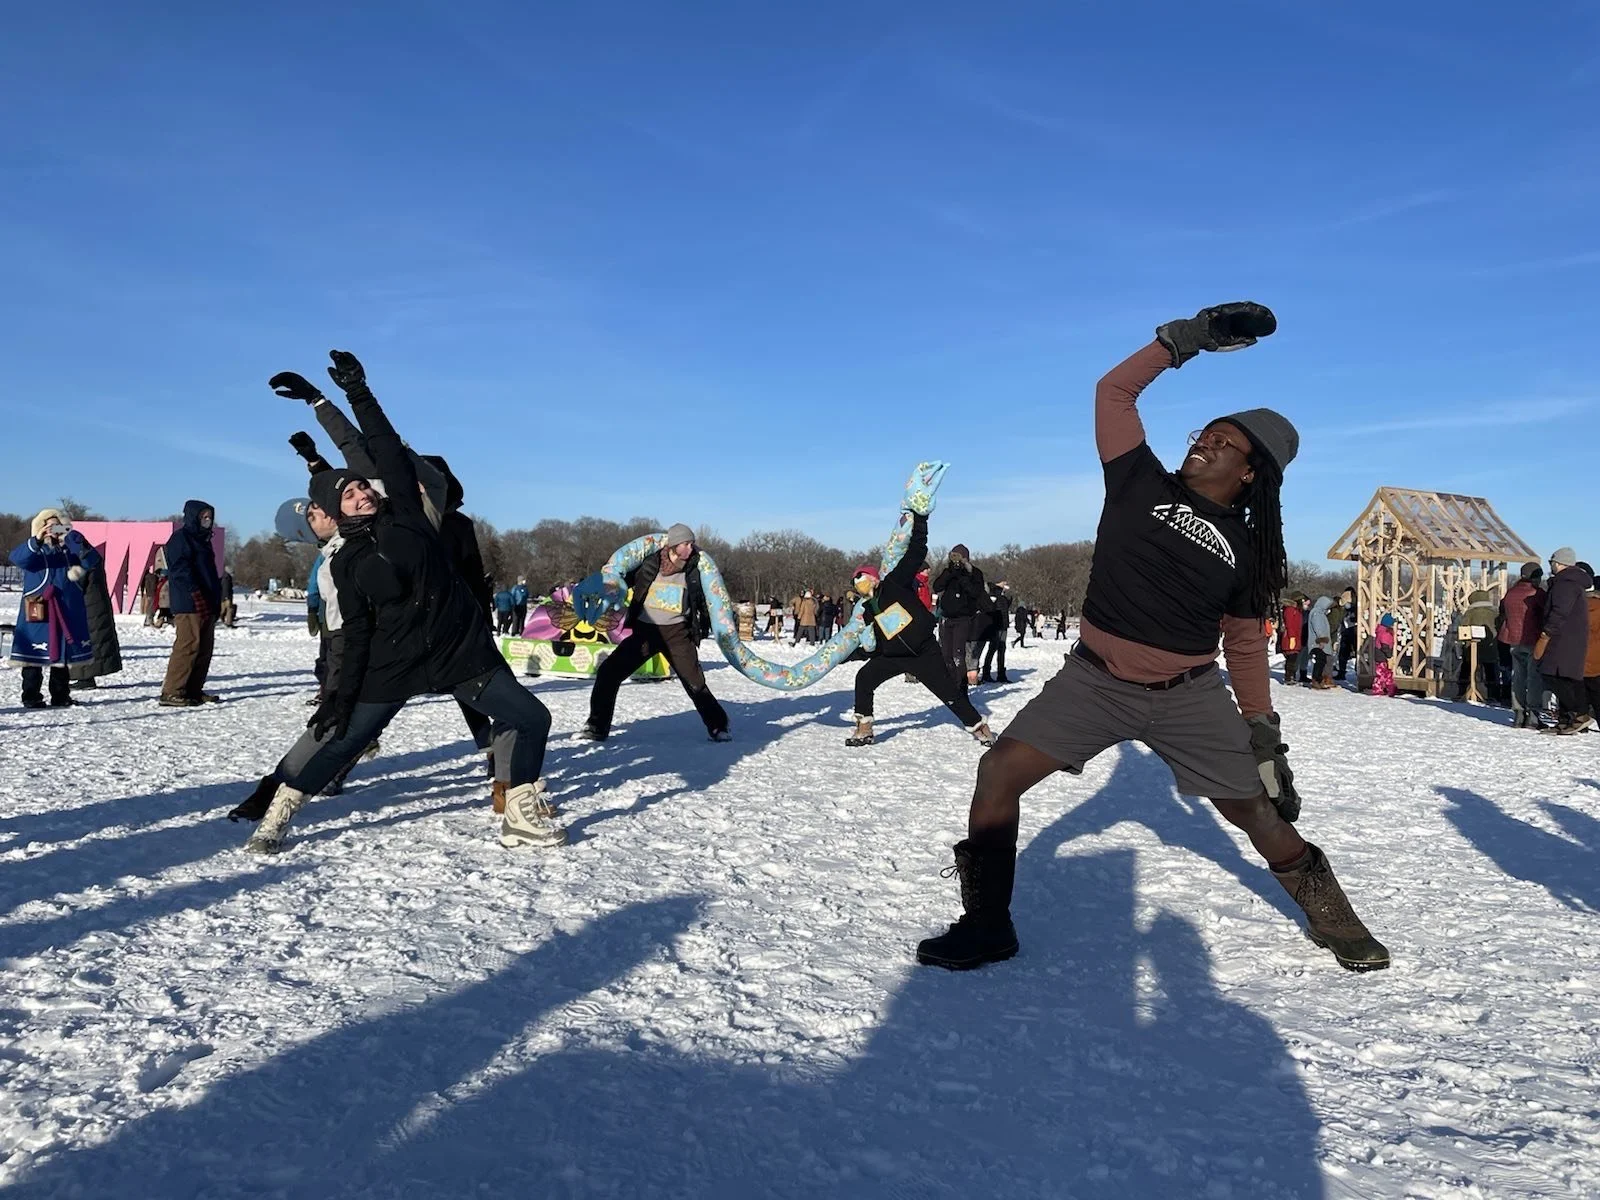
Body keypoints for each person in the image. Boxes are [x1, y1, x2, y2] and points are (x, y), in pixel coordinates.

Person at [914, 301, 1388, 974]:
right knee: (998, 774)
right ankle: (987, 924)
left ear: (1251, 474)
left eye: (1225, 443)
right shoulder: (1139, 481)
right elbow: (1113, 391)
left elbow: (1244, 644)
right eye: (1206, 432)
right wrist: (1186, 340)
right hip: (1093, 683)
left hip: (1188, 698)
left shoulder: (1249, 548)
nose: (1206, 443)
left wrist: (1262, 733)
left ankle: (1334, 917)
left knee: (1257, 814)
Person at [243, 351, 562, 854]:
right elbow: (356, 632)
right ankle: (285, 803)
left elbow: (381, 446)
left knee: (532, 718)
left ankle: (519, 812)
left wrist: (355, 392)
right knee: (347, 740)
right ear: (334, 511)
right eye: (349, 494)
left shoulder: (410, 514)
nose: (362, 493)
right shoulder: (345, 562)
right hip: (395, 662)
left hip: (457, 653)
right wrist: (340, 693)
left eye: (363, 487)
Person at [843, 511, 995, 749]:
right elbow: (874, 642)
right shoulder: (868, 609)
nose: (858, 584)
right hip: (893, 656)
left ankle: (981, 730)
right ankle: (864, 728)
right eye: (855, 582)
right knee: (864, 678)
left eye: (861, 578)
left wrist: (921, 521)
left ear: (873, 578)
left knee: (949, 693)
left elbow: (915, 552)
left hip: (923, 653)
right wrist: (848, 655)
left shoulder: (895, 583)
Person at [580, 523, 731, 744]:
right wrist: (605, 589)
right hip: (645, 633)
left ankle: (718, 726)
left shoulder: (696, 570)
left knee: (695, 683)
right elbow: (620, 579)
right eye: (686, 544)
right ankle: (596, 726)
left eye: (692, 543)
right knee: (608, 673)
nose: (691, 548)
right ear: (673, 545)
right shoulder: (649, 563)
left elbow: (708, 599)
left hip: (677, 634)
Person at [9, 510, 100, 708]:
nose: (51, 530)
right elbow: (17, 558)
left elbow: (92, 560)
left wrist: (76, 541)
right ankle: (31, 696)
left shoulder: (69, 551)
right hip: (38, 608)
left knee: (63, 654)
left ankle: (60, 695)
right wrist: (37, 539)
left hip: (66, 609)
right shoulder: (35, 551)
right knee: (34, 654)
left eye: (56, 525)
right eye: (47, 525)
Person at [158, 500, 222, 707]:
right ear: (194, 517)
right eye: (203, 516)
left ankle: (193, 689)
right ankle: (172, 690)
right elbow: (180, 570)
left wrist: (216, 599)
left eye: (209, 517)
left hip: (207, 600)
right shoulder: (181, 538)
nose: (207, 520)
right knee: (188, 646)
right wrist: (195, 593)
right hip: (189, 601)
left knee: (204, 647)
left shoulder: (204, 540)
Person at [1534, 548, 1593, 735]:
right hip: (1571, 639)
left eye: (1552, 562)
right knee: (1566, 677)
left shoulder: (1565, 584)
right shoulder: (1572, 583)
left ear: (1559, 563)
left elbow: (1559, 611)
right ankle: (1568, 719)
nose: (1550, 566)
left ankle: (1578, 713)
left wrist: (1546, 633)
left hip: (1561, 639)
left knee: (1552, 675)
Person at [1498, 562, 1546, 728]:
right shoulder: (1537, 593)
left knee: (1517, 676)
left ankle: (1518, 713)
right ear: (1536, 577)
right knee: (1534, 678)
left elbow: (1502, 612)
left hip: (1513, 639)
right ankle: (1533, 715)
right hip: (1533, 640)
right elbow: (1546, 614)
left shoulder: (1511, 593)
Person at [933, 544, 987, 691]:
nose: (956, 560)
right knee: (946, 655)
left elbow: (976, 592)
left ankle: (960, 687)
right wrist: (950, 573)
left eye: (958, 556)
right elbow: (937, 586)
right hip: (946, 618)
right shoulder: (948, 571)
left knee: (958, 655)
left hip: (963, 618)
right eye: (953, 556)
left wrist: (963, 577)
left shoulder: (974, 573)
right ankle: (950, 685)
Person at [68, 549, 124, 691]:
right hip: (96, 605)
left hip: (86, 607)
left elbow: (75, 584)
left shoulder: (80, 560)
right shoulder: (92, 557)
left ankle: (85, 677)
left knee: (84, 641)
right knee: (94, 641)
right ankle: (86, 676)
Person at [978, 581, 1012, 683]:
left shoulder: (1002, 597)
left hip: (1003, 626)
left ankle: (1001, 674)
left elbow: (1007, 606)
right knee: (993, 648)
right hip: (996, 626)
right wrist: (998, 586)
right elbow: (990, 590)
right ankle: (986, 673)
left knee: (1002, 649)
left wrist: (1006, 595)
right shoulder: (993, 593)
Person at [1277, 591, 1306, 685]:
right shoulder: (1290, 610)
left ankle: (1291, 676)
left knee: (1294, 658)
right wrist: (1292, 636)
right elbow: (1289, 624)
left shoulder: (1297, 610)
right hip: (1290, 638)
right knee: (1291, 658)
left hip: (1296, 637)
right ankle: (1288, 677)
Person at [1306, 596, 1334, 689]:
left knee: (1321, 661)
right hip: (1317, 643)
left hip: (1319, 642)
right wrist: (1322, 640)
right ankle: (1316, 680)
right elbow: (1318, 628)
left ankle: (1319, 679)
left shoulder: (1320, 613)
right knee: (1320, 661)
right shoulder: (1317, 613)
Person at [1372, 614, 1398, 696]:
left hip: (1381, 656)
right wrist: (1389, 656)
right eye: (1392, 623)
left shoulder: (1382, 631)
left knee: (1387, 673)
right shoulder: (1385, 633)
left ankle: (1390, 689)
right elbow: (1385, 647)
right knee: (1381, 674)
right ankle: (1378, 690)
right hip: (1382, 657)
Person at [1335, 587, 1357, 680]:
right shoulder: (1344, 609)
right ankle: (1341, 671)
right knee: (1343, 653)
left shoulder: (1356, 607)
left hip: (1354, 631)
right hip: (1346, 631)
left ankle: (1358, 671)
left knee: (1357, 652)